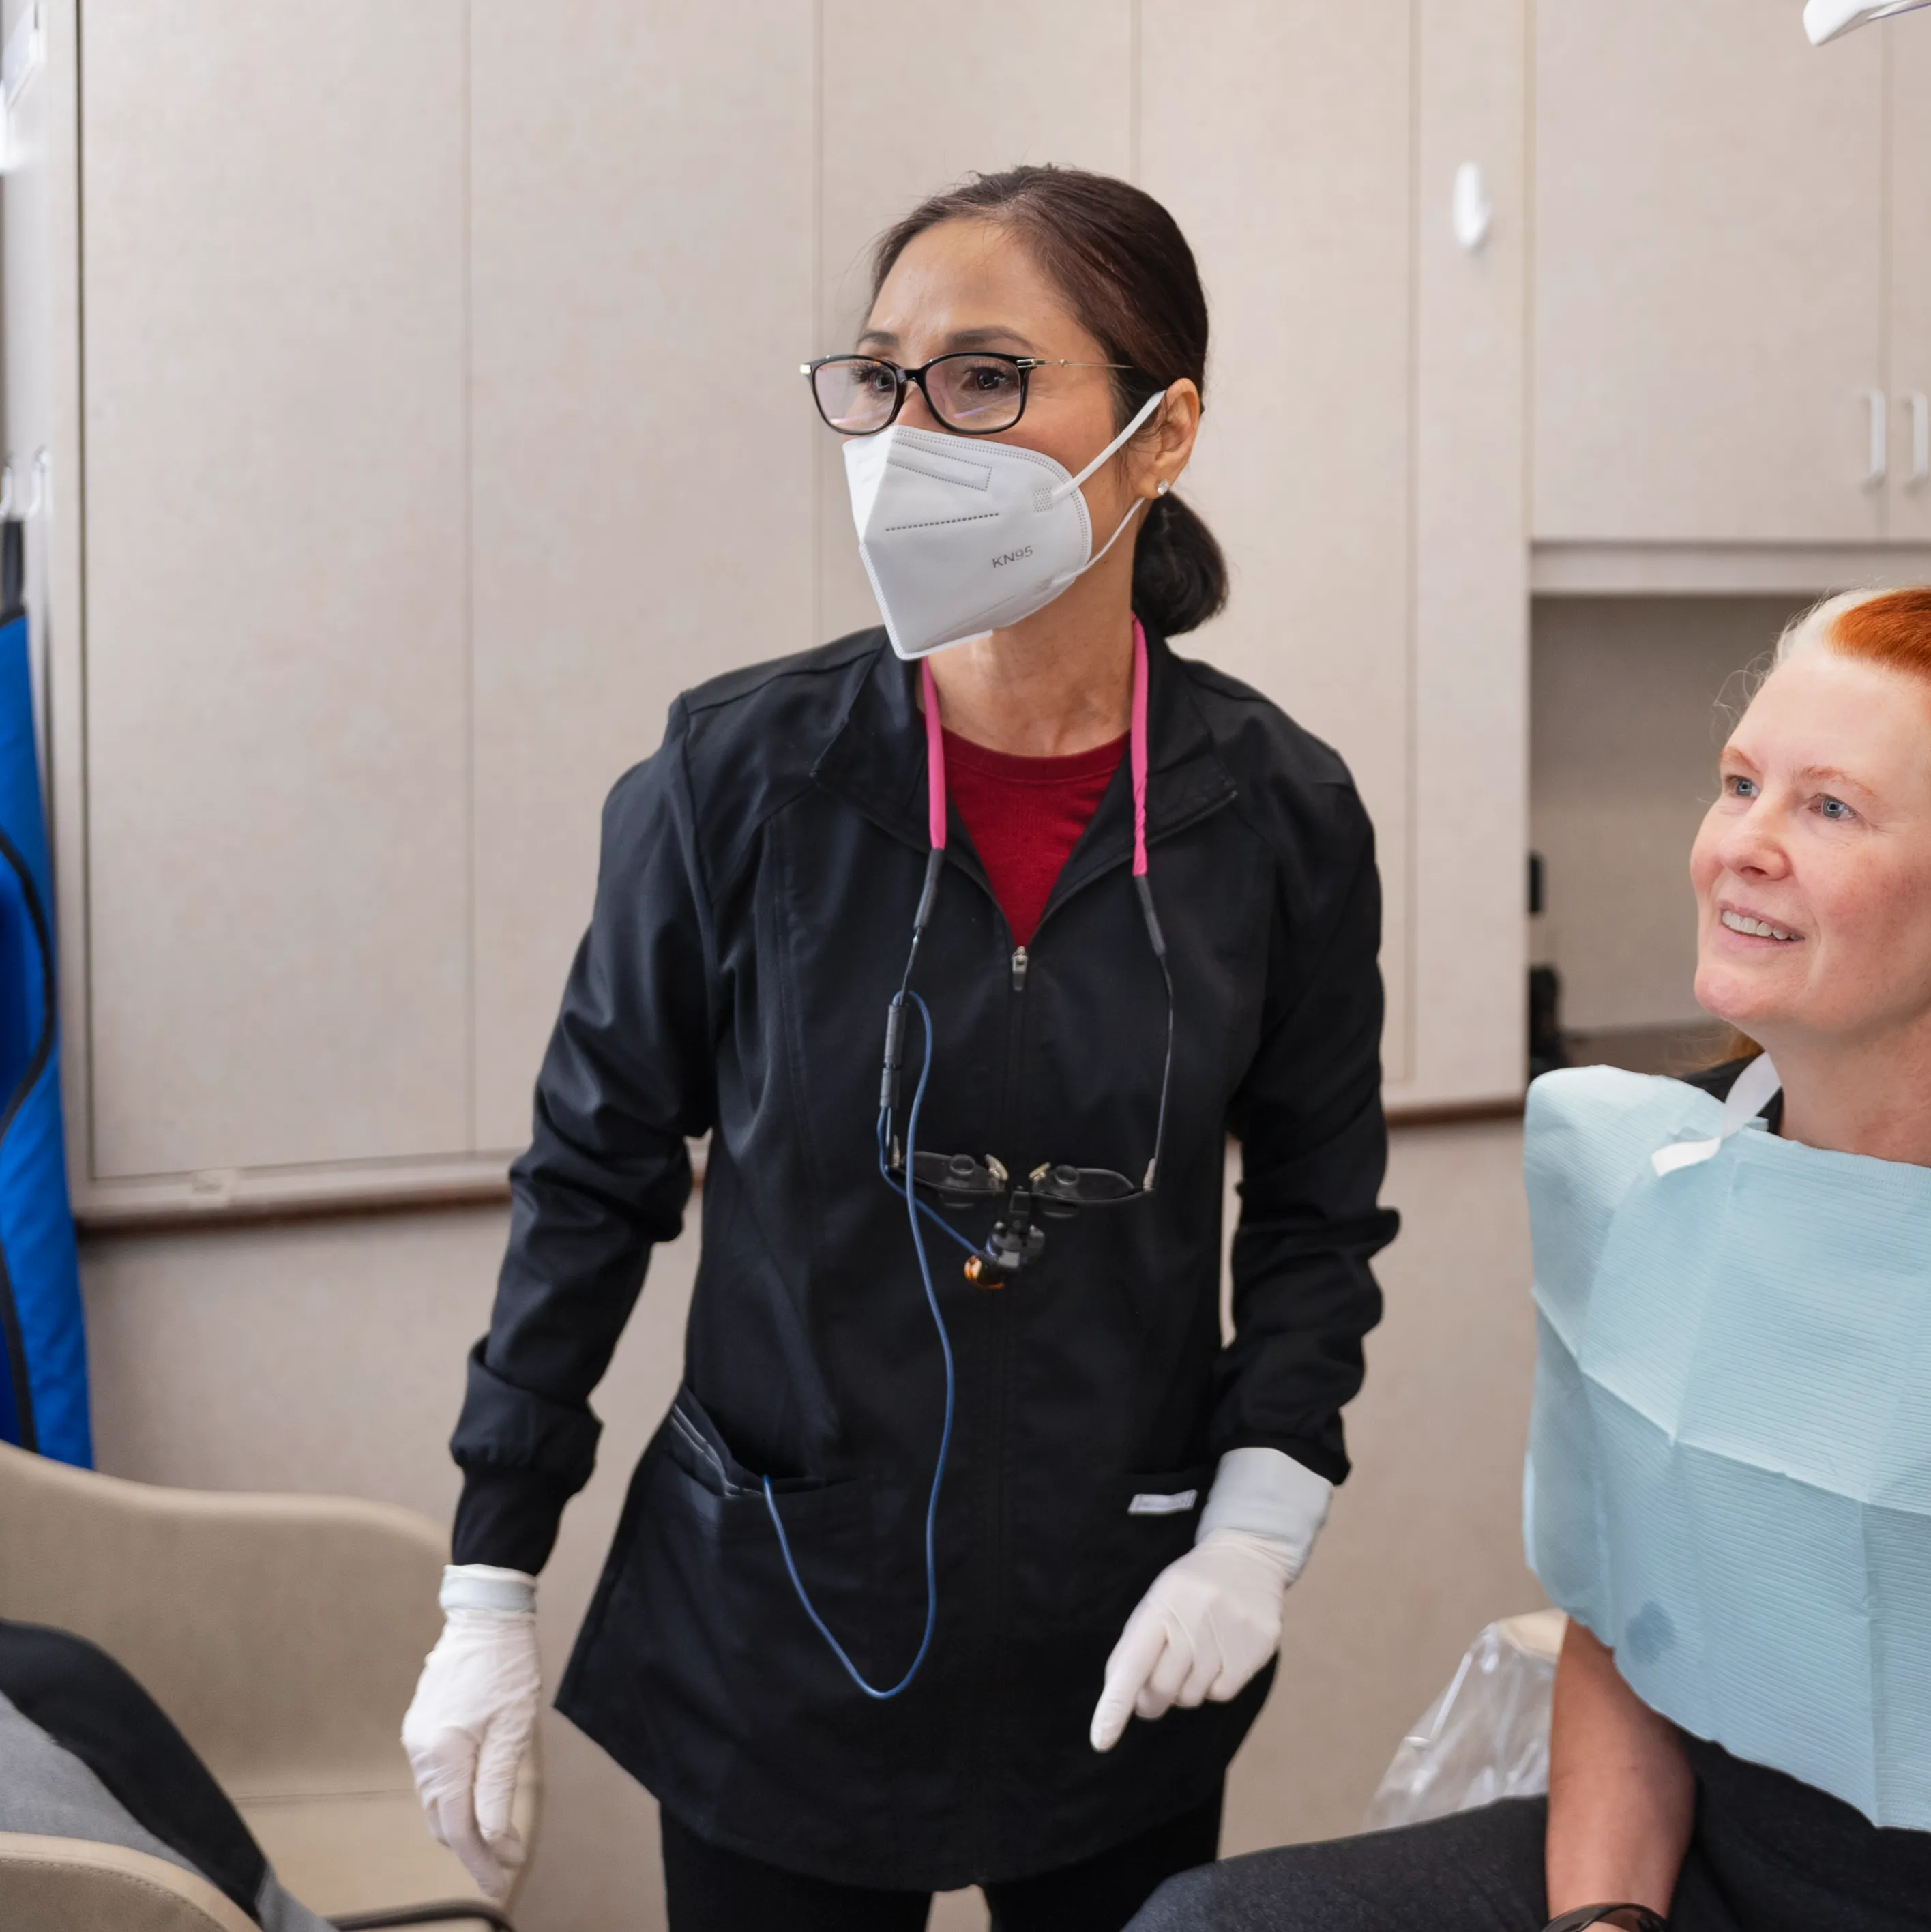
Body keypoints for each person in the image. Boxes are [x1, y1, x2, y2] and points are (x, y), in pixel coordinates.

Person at [399, 166, 1399, 1932]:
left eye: (989, 380)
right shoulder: (739, 782)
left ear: (1160, 436)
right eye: (882, 378)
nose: (912, 431)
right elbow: (592, 1176)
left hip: (1120, 1620)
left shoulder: (1278, 817)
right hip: (777, 1611)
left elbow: (1318, 1219)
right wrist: (490, 1579)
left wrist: (1258, 1524)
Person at [1135, 587, 1931, 1932]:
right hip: (1697, 1885)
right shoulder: (1664, 1179)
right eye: (1737, 785)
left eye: (1826, 808)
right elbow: (1621, 1638)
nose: (1738, 850)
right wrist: (1605, 1924)